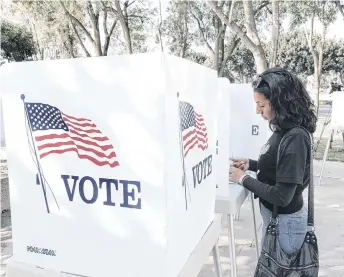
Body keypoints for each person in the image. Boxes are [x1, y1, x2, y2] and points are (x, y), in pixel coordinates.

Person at [229, 67, 317, 255]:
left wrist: (243, 178)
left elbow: (282, 196)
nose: (257, 111)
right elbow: (280, 167)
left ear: (279, 102)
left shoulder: (295, 138)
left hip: (287, 226)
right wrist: (251, 165)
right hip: (278, 220)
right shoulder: (284, 129)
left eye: (262, 105)